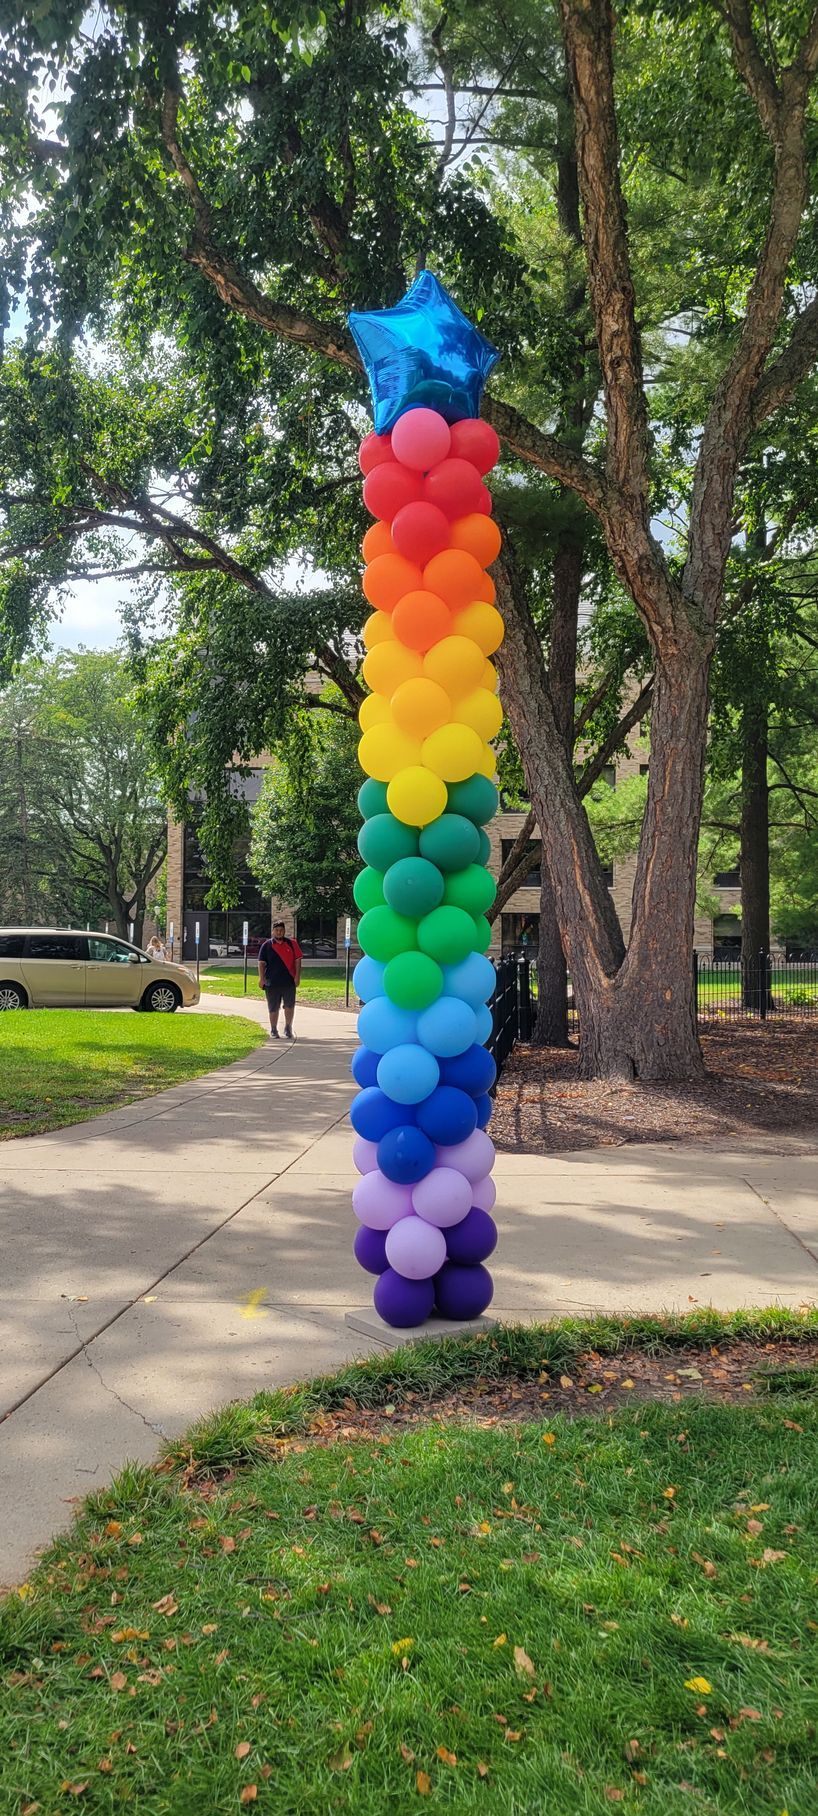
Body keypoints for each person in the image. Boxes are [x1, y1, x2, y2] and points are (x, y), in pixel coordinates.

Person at [258, 920, 303, 1039]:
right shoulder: (266, 945)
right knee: (273, 1007)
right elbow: (261, 963)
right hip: (271, 982)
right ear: (273, 931)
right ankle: (273, 1029)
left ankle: (288, 1028)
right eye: (277, 930)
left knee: (289, 1006)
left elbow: (298, 961)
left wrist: (297, 976)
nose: (279, 932)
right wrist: (261, 979)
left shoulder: (292, 944)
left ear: (284, 931)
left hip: (289, 981)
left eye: (281, 930)